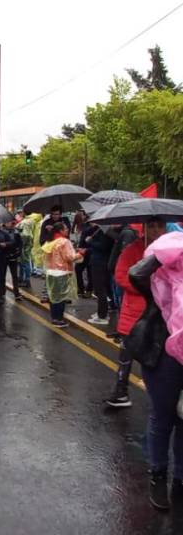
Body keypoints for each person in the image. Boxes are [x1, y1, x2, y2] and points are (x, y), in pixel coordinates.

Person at [125, 241, 183, 510]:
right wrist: (166, 255)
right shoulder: (161, 276)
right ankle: (158, 475)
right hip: (162, 352)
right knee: (163, 417)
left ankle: (180, 479)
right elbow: (135, 274)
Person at [104, 218, 167, 409]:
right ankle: (121, 391)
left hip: (162, 312)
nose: (155, 230)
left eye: (159, 226)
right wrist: (148, 287)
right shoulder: (133, 250)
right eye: (152, 226)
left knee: (158, 355)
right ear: (145, 229)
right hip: (135, 310)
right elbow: (121, 276)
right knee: (126, 353)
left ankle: (161, 397)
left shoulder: (171, 250)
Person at [41, 222, 83, 328]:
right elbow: (70, 257)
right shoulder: (64, 242)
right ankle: (59, 319)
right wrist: (81, 253)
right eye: (65, 228)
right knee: (61, 298)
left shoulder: (50, 241)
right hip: (62, 272)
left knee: (53, 296)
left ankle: (54, 317)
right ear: (60, 231)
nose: (68, 230)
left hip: (50, 272)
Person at [39, 206, 72, 302]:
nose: (55, 216)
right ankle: (47, 295)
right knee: (50, 274)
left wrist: (53, 229)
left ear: (60, 214)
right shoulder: (46, 223)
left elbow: (67, 234)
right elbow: (42, 240)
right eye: (53, 214)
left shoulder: (65, 221)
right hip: (51, 253)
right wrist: (50, 232)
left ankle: (64, 295)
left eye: (57, 214)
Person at [85, 223, 114, 326]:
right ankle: (101, 312)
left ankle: (102, 315)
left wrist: (91, 241)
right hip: (99, 261)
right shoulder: (100, 230)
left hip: (100, 263)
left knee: (100, 289)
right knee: (101, 289)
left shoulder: (106, 232)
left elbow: (103, 246)